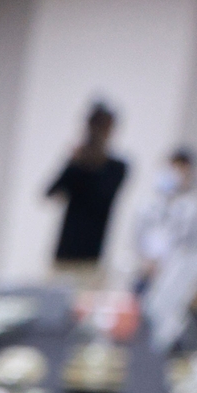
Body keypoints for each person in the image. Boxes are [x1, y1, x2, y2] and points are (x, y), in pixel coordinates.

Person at [45, 103, 129, 277]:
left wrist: (85, 165)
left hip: (92, 257)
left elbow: (102, 197)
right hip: (65, 254)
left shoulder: (116, 167)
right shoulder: (76, 163)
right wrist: (73, 165)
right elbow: (50, 193)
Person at [134, 148, 197, 292]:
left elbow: (193, 245)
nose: (176, 174)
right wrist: (145, 261)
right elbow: (138, 235)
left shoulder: (194, 206)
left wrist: (171, 266)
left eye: (181, 170)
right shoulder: (150, 203)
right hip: (146, 270)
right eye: (173, 168)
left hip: (174, 274)